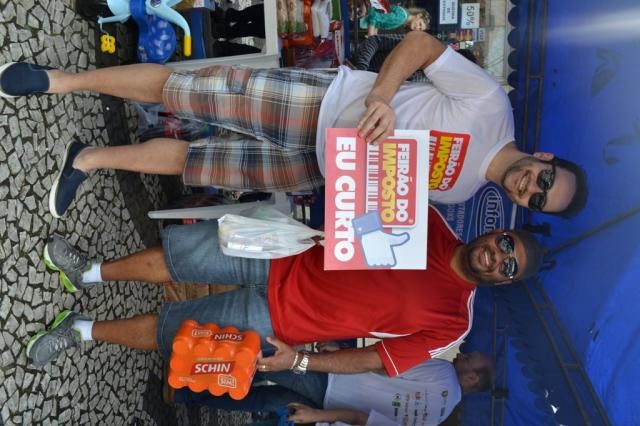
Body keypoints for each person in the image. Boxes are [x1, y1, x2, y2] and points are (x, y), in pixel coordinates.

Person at [0, 31, 587, 218]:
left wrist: (356, 228)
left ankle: (86, 160)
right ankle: (59, 80)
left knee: (196, 162)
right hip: (321, 105)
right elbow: (420, 44)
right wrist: (383, 98)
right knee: (184, 92)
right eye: (543, 180)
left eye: (538, 201)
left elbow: (386, 196)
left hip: (315, 170)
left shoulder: (461, 193)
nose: (529, 188)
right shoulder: (491, 105)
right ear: (545, 158)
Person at [26, 205, 544, 377]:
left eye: (509, 266)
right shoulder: (427, 217)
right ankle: (87, 271)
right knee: (178, 258)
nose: (498, 257)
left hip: (281, 324)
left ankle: (80, 331)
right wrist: (342, 225)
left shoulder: (454, 323)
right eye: (506, 244)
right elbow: (356, 210)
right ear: (497, 232)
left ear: (504, 281)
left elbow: (376, 360)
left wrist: (300, 362)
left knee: (177, 333)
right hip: (283, 249)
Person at [174, 352, 494, 426]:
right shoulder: (434, 421)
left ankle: (190, 367)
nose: (460, 355)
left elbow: (382, 362)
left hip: (333, 376)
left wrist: (336, 354)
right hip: (330, 406)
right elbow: (363, 420)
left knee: (261, 361)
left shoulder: (443, 372)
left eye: (468, 359)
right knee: (264, 399)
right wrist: (319, 416)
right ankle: (185, 393)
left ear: (471, 380)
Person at [351, 33, 477, 82]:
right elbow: (375, 41)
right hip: (350, 65)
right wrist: (361, 69)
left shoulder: (431, 82)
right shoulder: (421, 45)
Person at [359, 6, 430, 36]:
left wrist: (374, 34)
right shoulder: (401, 17)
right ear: (419, 15)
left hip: (362, 16)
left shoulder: (404, 12)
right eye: (420, 24)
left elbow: (380, 18)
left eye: (420, 29)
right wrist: (371, 37)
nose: (417, 27)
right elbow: (374, 16)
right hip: (360, 16)